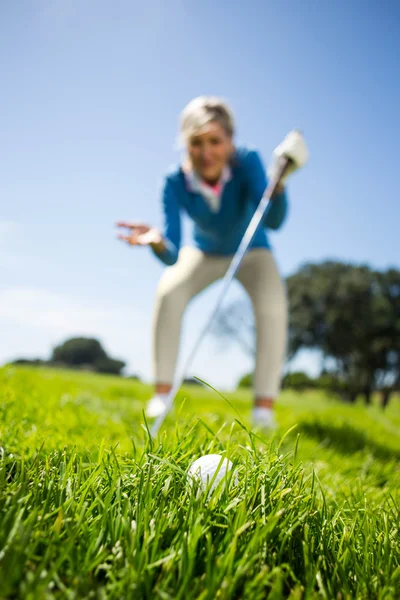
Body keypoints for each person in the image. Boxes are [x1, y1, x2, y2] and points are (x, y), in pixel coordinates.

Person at [117, 96, 308, 429]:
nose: (206, 153)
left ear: (230, 141)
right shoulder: (174, 181)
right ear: (184, 144)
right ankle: (162, 397)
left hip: (252, 251)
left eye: (215, 142)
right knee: (169, 291)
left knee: (273, 307)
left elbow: (273, 221)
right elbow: (173, 253)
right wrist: (158, 242)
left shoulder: (247, 161)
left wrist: (278, 186)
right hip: (203, 252)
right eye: (196, 143)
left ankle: (263, 411)